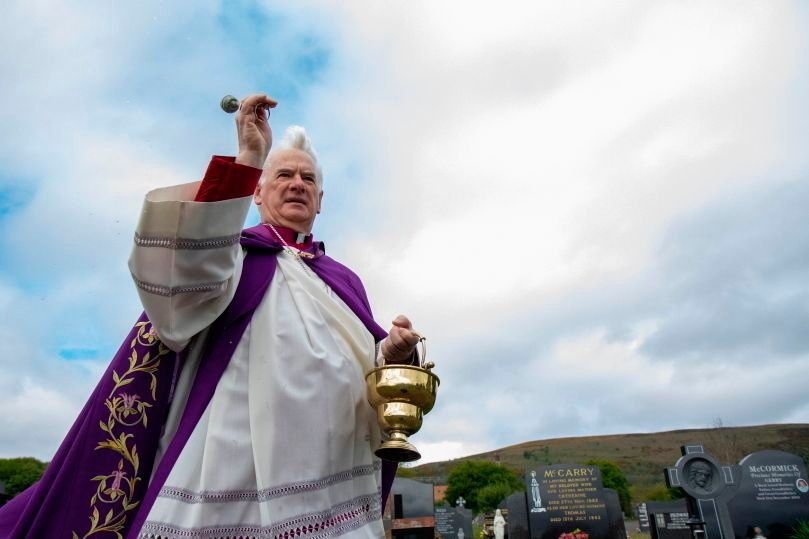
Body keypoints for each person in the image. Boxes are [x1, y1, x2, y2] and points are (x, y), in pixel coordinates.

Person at [0, 93, 421, 538]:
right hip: (228, 468)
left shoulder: (345, 281)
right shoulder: (233, 255)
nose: (297, 183)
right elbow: (178, 284)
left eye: (308, 178)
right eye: (283, 175)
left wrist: (392, 354)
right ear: (257, 192)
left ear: (321, 200)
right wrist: (248, 158)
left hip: (333, 481)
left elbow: (371, 377)